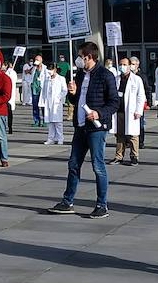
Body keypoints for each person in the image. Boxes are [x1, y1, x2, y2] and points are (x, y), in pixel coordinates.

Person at [47, 41, 120, 219]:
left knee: (98, 165)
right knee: (73, 164)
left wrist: (98, 113)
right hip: (80, 126)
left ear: (90, 57)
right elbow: (75, 101)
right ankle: (67, 201)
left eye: (81, 56)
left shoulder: (105, 75)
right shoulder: (79, 75)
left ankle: (102, 205)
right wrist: (72, 93)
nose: (79, 60)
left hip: (96, 128)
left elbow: (114, 102)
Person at [113, 57, 145, 166]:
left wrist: (138, 110)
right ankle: (119, 156)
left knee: (133, 135)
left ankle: (134, 156)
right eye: (121, 64)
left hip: (131, 112)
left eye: (125, 64)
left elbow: (141, 96)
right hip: (119, 111)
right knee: (119, 134)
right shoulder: (116, 79)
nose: (122, 66)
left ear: (130, 66)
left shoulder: (136, 79)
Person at [41, 65, 66, 144]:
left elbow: (64, 90)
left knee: (58, 122)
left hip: (56, 103)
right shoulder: (47, 79)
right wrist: (44, 100)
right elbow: (44, 90)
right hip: (48, 102)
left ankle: (60, 138)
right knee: (50, 121)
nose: (49, 71)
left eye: (50, 69)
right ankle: (51, 138)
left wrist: (59, 98)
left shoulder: (61, 79)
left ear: (55, 69)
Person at [29, 55, 45, 126]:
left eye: (37, 60)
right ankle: (36, 121)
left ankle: (45, 120)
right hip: (34, 89)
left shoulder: (45, 69)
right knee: (35, 106)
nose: (36, 61)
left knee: (43, 106)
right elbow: (29, 73)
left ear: (41, 60)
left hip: (42, 89)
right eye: (35, 59)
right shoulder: (33, 68)